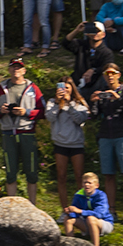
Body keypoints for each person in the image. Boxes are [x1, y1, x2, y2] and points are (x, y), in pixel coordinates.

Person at [92, 63, 123, 223]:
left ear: (118, 75)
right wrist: (94, 101)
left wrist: (119, 99)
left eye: (113, 73)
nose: (110, 76)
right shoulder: (103, 93)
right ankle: (111, 210)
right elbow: (93, 116)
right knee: (108, 175)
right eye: (107, 73)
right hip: (105, 136)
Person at [0, 57, 44, 203]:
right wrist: (1, 110)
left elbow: (42, 111)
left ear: (24, 70)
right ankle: (12, 204)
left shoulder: (33, 88)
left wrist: (26, 112)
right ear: (9, 70)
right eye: (13, 67)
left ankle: (32, 204)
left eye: (19, 67)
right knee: (10, 171)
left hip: (27, 132)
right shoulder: (2, 87)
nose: (16, 70)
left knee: (31, 171)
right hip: (8, 133)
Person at [46, 78, 89, 211]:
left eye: (67, 87)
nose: (64, 90)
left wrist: (69, 104)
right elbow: (49, 117)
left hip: (76, 144)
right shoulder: (52, 102)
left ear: (72, 88)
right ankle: (64, 209)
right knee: (61, 176)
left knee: (79, 175)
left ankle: (80, 208)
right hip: (60, 143)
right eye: (62, 87)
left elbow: (80, 120)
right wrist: (58, 104)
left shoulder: (80, 103)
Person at [62, 172, 115, 246]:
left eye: (89, 183)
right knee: (68, 219)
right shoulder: (78, 195)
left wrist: (80, 211)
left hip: (104, 224)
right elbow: (75, 213)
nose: (87, 185)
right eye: (84, 182)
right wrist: (70, 212)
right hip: (87, 224)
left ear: (96, 185)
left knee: (91, 219)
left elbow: (100, 214)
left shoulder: (101, 195)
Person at [62, 19, 115, 92]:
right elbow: (65, 43)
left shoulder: (107, 52)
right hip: (78, 83)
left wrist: (93, 70)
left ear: (103, 34)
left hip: (96, 87)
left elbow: (108, 67)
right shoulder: (81, 45)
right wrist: (77, 30)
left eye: (98, 31)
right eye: (93, 31)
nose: (95, 33)